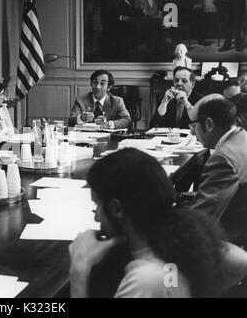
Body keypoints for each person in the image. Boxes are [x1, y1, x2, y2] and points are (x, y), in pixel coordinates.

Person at [69, 148, 247, 298]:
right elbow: (240, 261)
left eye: (97, 205)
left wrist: (79, 267)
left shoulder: (145, 281)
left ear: (117, 208)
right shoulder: (182, 247)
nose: (96, 218)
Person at [188, 94, 247, 243]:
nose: (192, 132)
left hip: (229, 238)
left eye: (194, 126)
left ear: (209, 124)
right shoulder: (242, 135)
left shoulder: (223, 158)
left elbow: (202, 220)